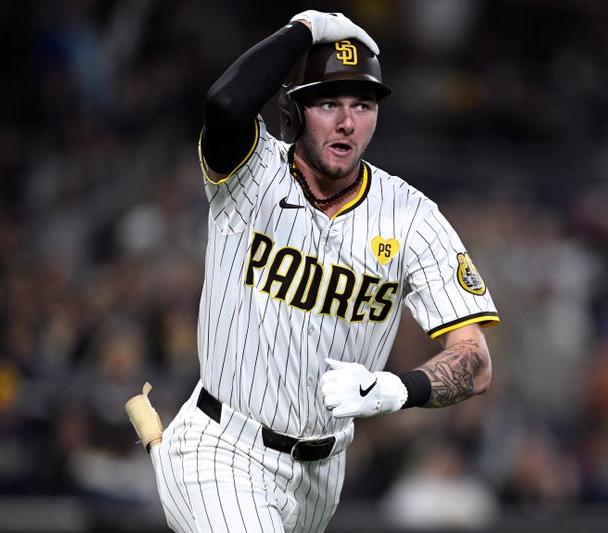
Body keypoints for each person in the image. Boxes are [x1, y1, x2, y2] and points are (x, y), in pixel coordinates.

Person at [148, 10, 500, 533]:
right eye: (327, 102)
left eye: (362, 104)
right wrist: (306, 29)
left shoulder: (411, 216)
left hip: (320, 476)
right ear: (293, 109)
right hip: (220, 447)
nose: (347, 121)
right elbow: (224, 104)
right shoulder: (252, 173)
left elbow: (475, 363)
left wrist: (395, 390)